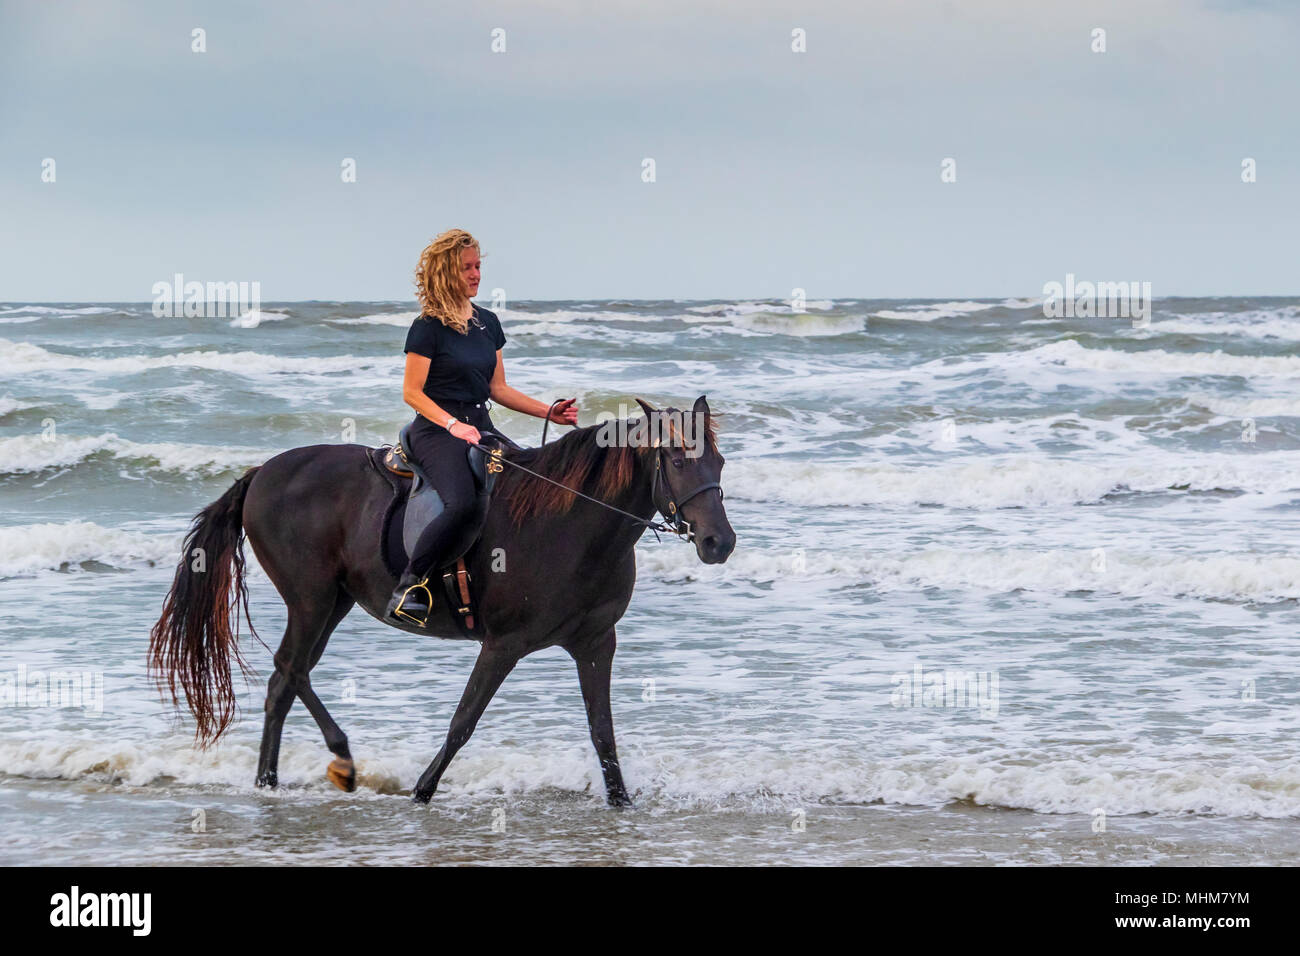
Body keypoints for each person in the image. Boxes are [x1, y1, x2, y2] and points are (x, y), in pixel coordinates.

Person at [385, 229, 578, 625]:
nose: (476, 275)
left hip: (480, 425)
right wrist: (453, 425)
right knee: (463, 503)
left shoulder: (488, 323)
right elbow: (412, 392)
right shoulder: (427, 327)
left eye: (478, 267)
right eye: (467, 268)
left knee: (532, 483)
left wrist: (549, 412)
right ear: (445, 273)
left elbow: (498, 388)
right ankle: (410, 585)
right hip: (436, 431)